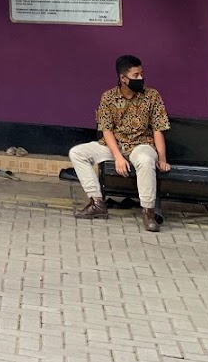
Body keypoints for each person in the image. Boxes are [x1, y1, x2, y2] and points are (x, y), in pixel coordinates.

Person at [69, 54, 172, 231]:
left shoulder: (152, 96)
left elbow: (158, 128)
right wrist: (118, 157)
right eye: (135, 75)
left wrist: (162, 158)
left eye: (141, 74)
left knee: (146, 161)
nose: (140, 78)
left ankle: (148, 211)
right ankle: (97, 202)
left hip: (141, 145)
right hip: (115, 146)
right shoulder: (108, 97)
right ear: (123, 78)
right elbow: (106, 129)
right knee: (77, 153)